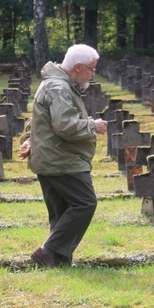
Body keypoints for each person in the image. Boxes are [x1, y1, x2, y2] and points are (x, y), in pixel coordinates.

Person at [18, 44, 108, 267]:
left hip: (49, 158)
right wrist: (92, 125)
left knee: (61, 213)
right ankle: (47, 252)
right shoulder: (59, 88)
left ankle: (58, 261)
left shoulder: (54, 84)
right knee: (85, 203)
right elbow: (65, 126)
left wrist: (29, 139)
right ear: (78, 67)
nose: (93, 74)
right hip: (62, 161)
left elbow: (38, 120)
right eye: (91, 69)